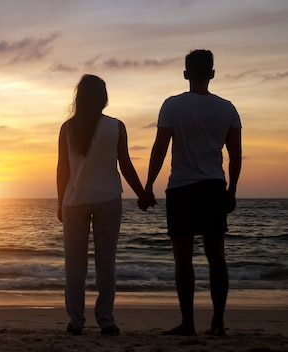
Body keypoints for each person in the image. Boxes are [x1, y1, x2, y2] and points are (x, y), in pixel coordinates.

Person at [144, 49, 242, 336]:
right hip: (213, 186)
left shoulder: (172, 106)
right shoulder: (228, 108)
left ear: (186, 74)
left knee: (183, 259)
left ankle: (188, 323)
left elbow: (160, 149)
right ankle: (217, 323)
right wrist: (232, 190)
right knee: (216, 257)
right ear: (212, 74)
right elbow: (235, 156)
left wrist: (148, 186)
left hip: (182, 189)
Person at [57, 74, 151, 336]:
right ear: (104, 98)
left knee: (75, 265)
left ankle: (76, 321)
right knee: (105, 262)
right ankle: (106, 320)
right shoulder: (116, 126)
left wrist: (59, 202)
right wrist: (142, 194)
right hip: (108, 199)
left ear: (79, 97)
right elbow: (126, 164)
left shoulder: (68, 128)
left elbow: (62, 169)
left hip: (73, 201)